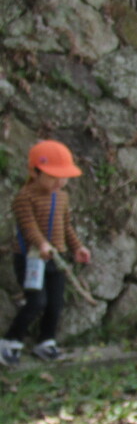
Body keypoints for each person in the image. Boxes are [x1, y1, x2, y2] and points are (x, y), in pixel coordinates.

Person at [1, 140, 91, 366]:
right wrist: (41, 244)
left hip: (56, 259)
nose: (60, 182)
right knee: (36, 301)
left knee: (55, 302)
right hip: (30, 258)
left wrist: (77, 247)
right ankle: (10, 342)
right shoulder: (25, 197)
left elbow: (66, 225)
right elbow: (28, 225)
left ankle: (46, 341)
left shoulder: (62, 197)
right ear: (35, 172)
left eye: (64, 177)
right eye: (53, 176)